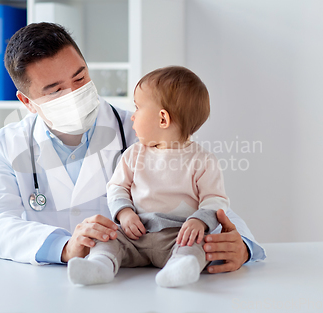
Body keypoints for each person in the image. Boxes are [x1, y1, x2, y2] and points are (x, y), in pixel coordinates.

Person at [0, 22, 266, 273]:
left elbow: (207, 198)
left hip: (138, 288)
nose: (75, 93)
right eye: (56, 90)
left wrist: (244, 246)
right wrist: (65, 246)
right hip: (52, 288)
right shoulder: (9, 144)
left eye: (80, 77)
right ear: (27, 102)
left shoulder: (142, 130)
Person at [68, 66, 229, 287]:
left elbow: (215, 200)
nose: (132, 116)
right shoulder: (134, 154)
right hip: (135, 233)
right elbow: (117, 187)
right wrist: (124, 213)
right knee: (108, 238)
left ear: (162, 119)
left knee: (197, 244)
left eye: (138, 107)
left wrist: (198, 221)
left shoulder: (203, 160)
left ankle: (180, 267)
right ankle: (100, 266)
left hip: (178, 235)